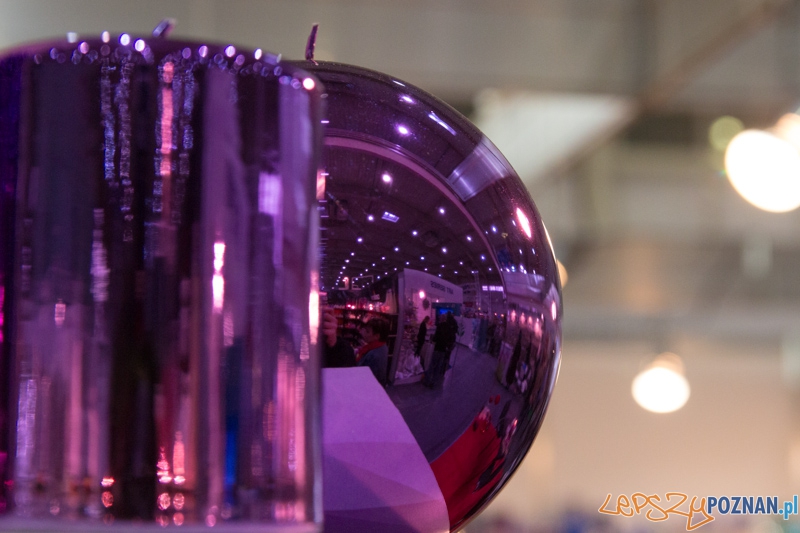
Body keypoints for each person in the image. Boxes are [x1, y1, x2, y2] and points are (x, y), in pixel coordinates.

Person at [423, 312, 457, 388]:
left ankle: (427, 381)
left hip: (437, 348)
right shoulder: (449, 327)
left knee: (432, 365)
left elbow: (435, 338)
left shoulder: (440, 326)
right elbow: (450, 339)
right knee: (438, 367)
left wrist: (432, 338)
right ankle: (434, 383)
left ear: (441, 319)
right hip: (443, 350)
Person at [356, 317, 390, 386]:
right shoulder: (382, 346)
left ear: (377, 336)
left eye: (367, 331)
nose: (364, 333)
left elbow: (365, 378)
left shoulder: (373, 355)